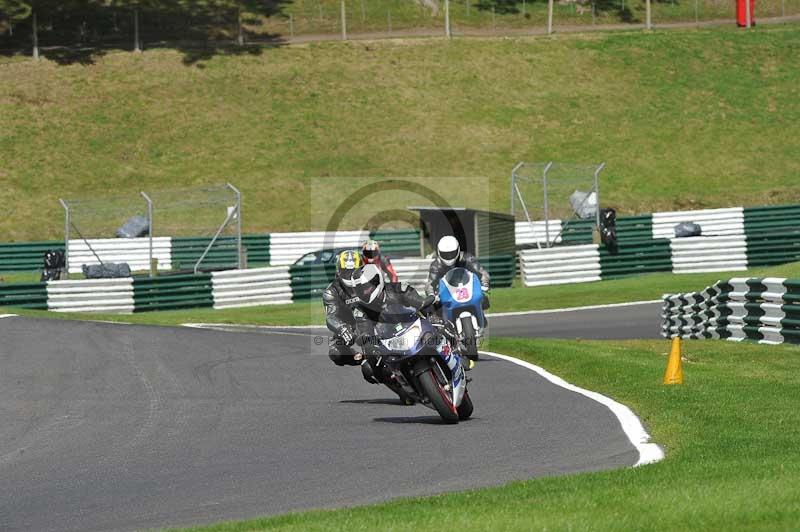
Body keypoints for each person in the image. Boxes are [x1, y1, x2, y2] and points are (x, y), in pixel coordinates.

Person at [347, 263, 438, 390]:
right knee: (368, 368)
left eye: (366, 288)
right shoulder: (360, 309)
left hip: (413, 328)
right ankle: (400, 387)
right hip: (389, 342)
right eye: (360, 290)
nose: (364, 292)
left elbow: (420, 302)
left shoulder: (399, 289)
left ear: (376, 280)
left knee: (438, 322)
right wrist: (367, 341)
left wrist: (428, 305)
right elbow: (364, 329)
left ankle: (455, 352)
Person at [323, 249, 364, 368]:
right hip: (352, 328)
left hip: (376, 323)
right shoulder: (332, 291)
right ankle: (361, 358)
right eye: (347, 272)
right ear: (339, 270)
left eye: (354, 272)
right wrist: (342, 328)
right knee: (335, 353)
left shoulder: (371, 281)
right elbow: (331, 316)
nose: (351, 276)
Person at [427, 235, 491, 310]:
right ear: (439, 252)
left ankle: (481, 318)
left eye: (452, 253)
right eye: (445, 254)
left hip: (467, 288)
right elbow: (430, 283)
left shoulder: (467, 258)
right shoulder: (436, 265)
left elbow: (481, 272)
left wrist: (485, 283)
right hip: (447, 292)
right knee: (433, 308)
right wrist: (431, 295)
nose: (449, 256)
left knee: (484, 300)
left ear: (458, 250)